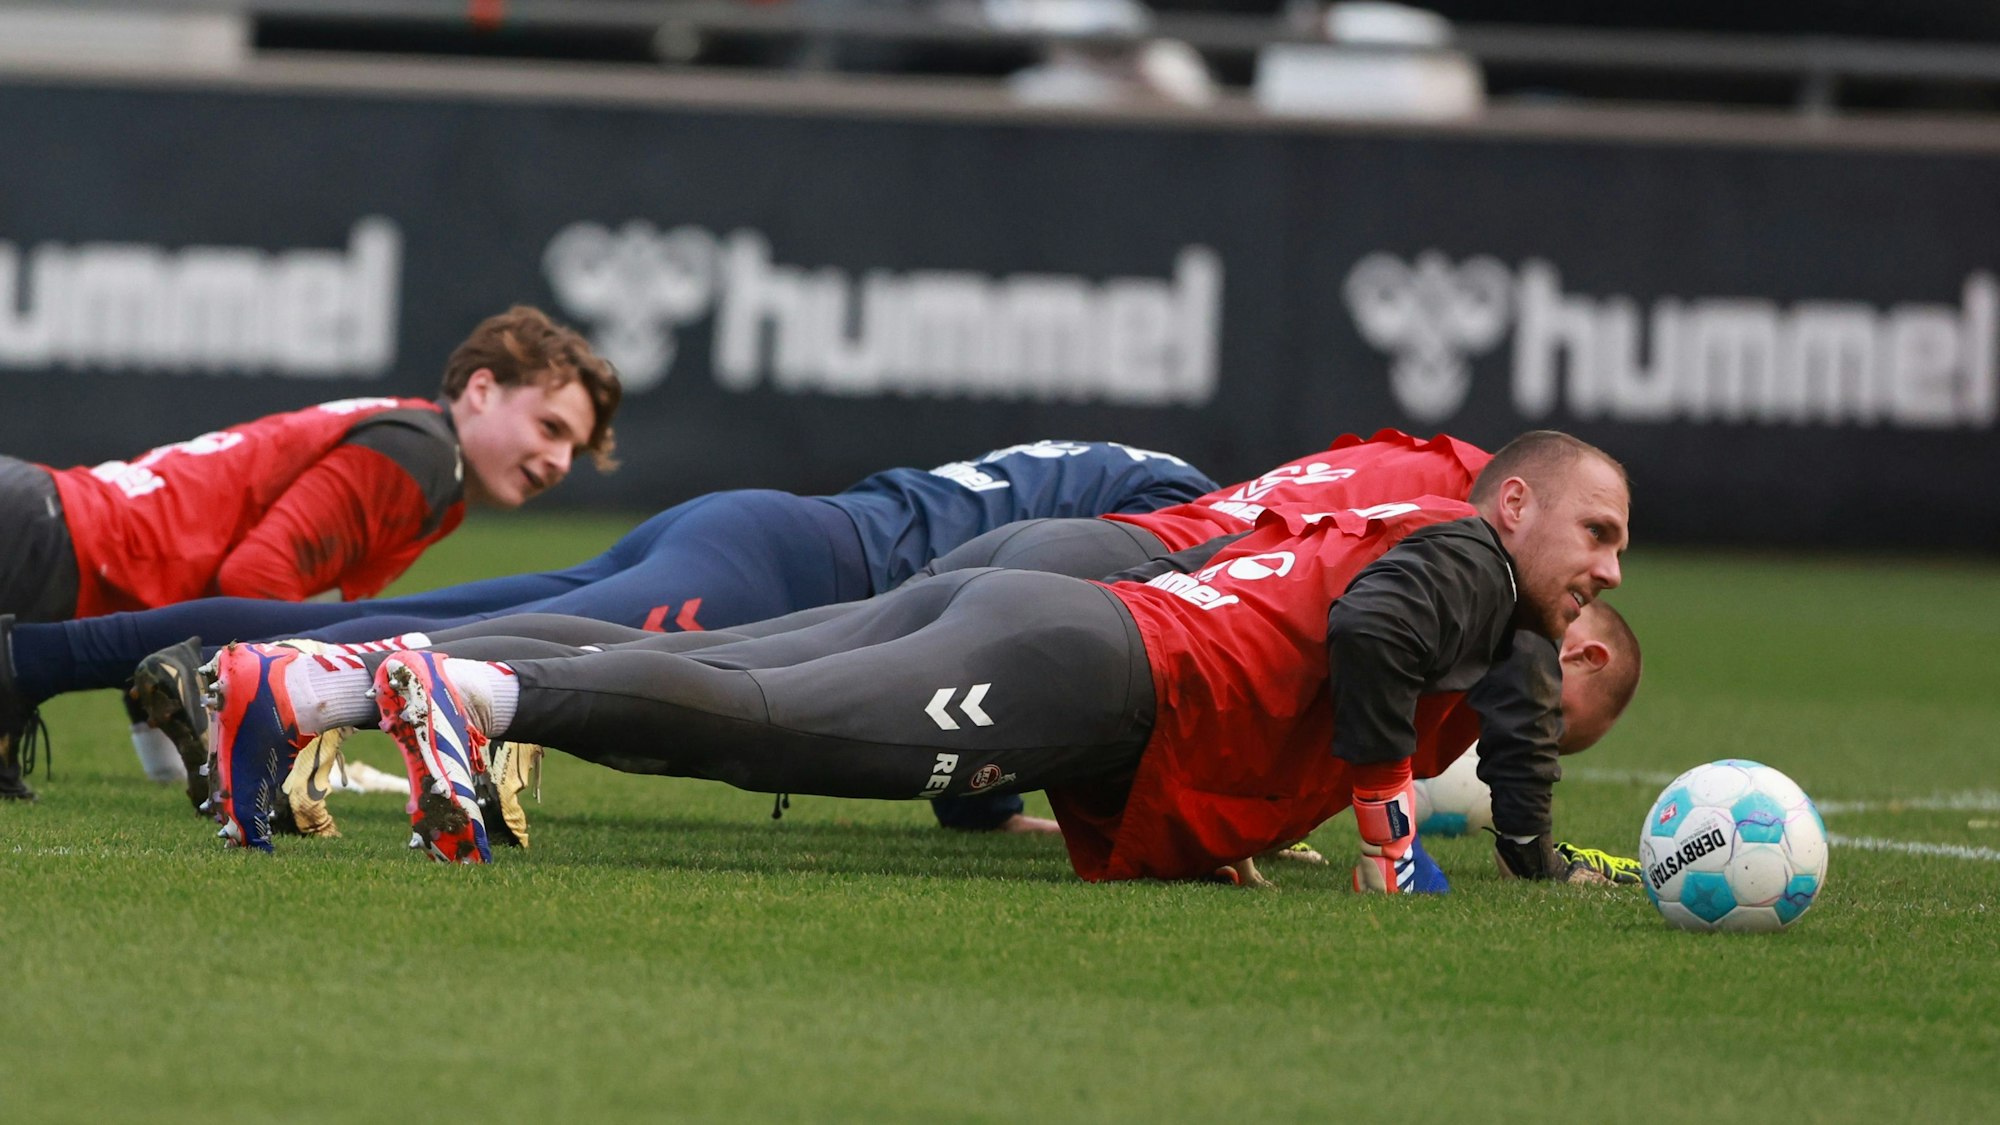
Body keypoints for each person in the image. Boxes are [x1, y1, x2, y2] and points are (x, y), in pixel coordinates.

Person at [208, 430, 1631, 887]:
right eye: (1599, 537)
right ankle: (467, 693)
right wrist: (1391, 837)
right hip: (1095, 651)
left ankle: (319, 680)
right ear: (1515, 500)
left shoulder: (1408, 505)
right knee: (760, 714)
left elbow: (1302, 638)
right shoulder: (1468, 557)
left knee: (741, 676)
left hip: (1078, 610)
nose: (1606, 574)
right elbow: (1373, 636)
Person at [0, 440, 1215, 806]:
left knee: (400, 617)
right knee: (436, 647)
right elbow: (997, 636)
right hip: (784, 569)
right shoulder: (1180, 511)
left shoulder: (1138, 469)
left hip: (768, 528)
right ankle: (258, 692)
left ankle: (34, 659)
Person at [0, 305, 621, 798]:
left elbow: (197, 611)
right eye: (551, 428)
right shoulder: (423, 457)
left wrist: (179, 748)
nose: (559, 462)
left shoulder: (422, 450)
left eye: (575, 450)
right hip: (44, 544)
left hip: (49, 536)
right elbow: (254, 581)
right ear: (482, 389)